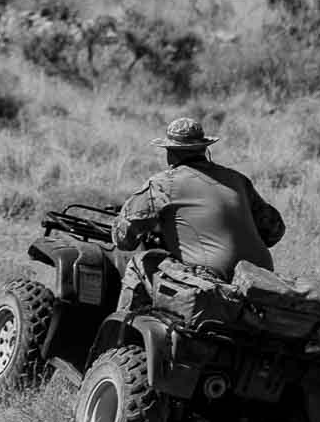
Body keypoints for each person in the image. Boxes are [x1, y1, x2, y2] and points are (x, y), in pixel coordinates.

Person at [112, 116, 285, 312]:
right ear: (204, 149)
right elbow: (274, 231)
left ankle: (120, 332)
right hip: (260, 278)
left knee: (139, 262)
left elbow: (124, 240)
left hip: (211, 278)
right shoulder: (237, 180)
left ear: (171, 154)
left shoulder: (162, 184)